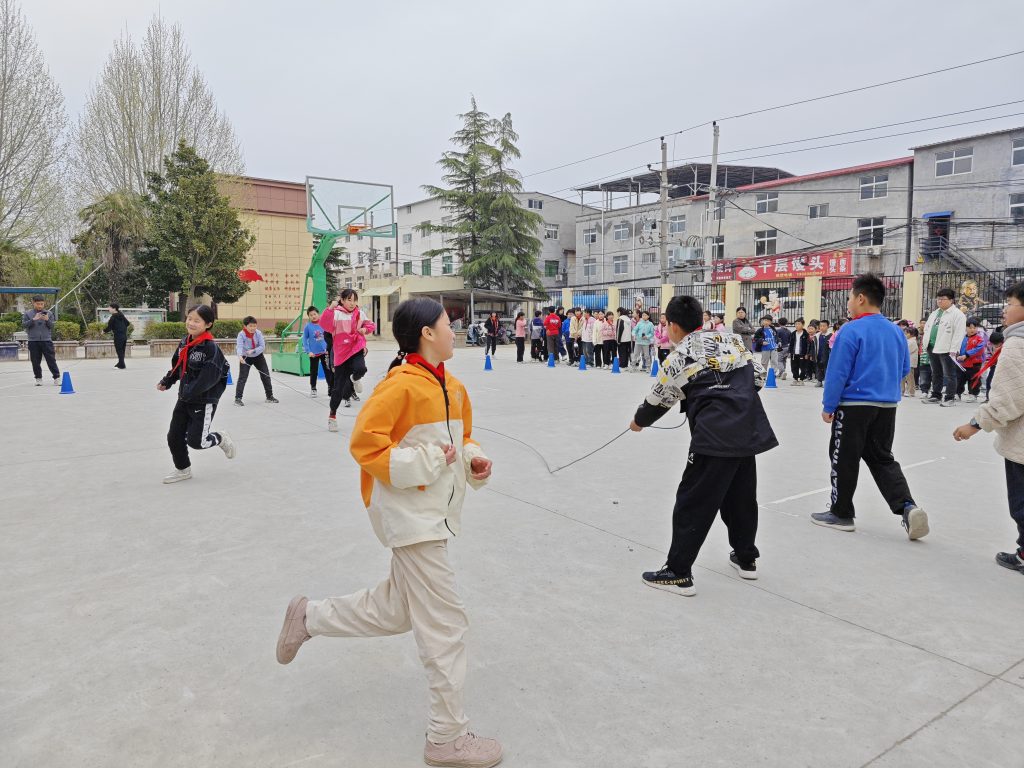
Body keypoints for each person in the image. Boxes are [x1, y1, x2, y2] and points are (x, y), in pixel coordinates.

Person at [275, 297, 502, 768]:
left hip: (435, 514)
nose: (454, 330)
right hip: (410, 518)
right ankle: (446, 739)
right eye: (447, 324)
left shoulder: (453, 387)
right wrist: (427, 462)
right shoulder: (398, 387)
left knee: (398, 610)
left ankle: (309, 618)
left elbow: (461, 440)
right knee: (446, 626)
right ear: (425, 333)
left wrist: (473, 460)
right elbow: (365, 446)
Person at [629, 295, 777, 596]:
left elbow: (660, 397)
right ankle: (746, 558)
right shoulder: (733, 342)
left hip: (714, 436)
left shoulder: (681, 354)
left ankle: (678, 572)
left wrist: (639, 421)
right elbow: (758, 378)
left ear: (672, 325)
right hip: (747, 429)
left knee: (692, 502)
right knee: (741, 498)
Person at [812, 274, 928, 540]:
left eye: (851, 297)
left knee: (844, 457)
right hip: (887, 405)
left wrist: (829, 405)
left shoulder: (851, 330)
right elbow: (902, 369)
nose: (850, 303)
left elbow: (837, 373)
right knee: (882, 457)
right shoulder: (895, 331)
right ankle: (907, 507)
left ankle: (841, 513)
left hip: (854, 406)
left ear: (861, 298)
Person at [952, 282, 1024, 575]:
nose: (1005, 310)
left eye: (1010, 303)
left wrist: (975, 424)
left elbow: (1008, 399)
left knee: (1021, 503)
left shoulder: (1018, 345)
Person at [157, 304, 236, 483]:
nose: (191, 323)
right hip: (184, 397)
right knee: (174, 436)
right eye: (189, 318)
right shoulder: (186, 342)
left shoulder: (210, 348)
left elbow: (209, 378)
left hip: (203, 400)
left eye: (197, 320)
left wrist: (190, 393)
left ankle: (220, 438)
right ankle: (183, 469)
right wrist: (167, 381)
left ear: (208, 324)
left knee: (197, 442)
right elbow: (177, 366)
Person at [321, 289, 376, 430]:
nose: (352, 303)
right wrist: (330, 309)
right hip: (341, 353)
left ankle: (354, 379)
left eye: (354, 300)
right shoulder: (336, 313)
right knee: (338, 389)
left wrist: (365, 330)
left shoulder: (359, 313)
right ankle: (332, 416)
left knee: (361, 369)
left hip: (356, 347)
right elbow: (325, 325)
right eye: (349, 300)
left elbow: (371, 325)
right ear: (342, 300)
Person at [922, 287, 967, 407]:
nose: (939, 301)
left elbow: (959, 333)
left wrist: (954, 349)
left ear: (951, 300)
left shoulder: (958, 315)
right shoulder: (935, 313)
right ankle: (936, 395)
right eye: (938, 299)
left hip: (947, 348)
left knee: (950, 374)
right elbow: (927, 328)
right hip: (932, 346)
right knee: (936, 373)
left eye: (943, 299)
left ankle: (950, 397)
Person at [234, 316, 278, 406]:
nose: (253, 328)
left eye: (254, 326)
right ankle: (238, 399)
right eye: (250, 326)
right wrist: (240, 357)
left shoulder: (258, 333)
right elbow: (239, 346)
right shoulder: (241, 334)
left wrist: (253, 350)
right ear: (245, 326)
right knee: (242, 377)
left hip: (258, 356)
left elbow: (262, 346)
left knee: (265, 375)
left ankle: (269, 396)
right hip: (245, 357)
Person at [22, 295, 60, 386]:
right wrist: (33, 319)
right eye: (38, 304)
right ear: (33, 303)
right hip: (33, 341)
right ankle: (38, 378)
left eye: (42, 304)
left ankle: (57, 378)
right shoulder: (27, 314)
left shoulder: (49, 314)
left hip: (46, 340)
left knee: (51, 360)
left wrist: (47, 320)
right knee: (35, 361)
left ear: (44, 304)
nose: (40, 306)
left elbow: (52, 326)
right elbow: (24, 325)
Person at [302, 306, 334, 398]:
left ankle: (330, 388)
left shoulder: (324, 324)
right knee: (314, 371)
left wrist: (329, 348)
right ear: (309, 316)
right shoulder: (308, 326)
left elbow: (330, 336)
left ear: (318, 314)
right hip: (313, 354)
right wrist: (308, 351)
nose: (313, 316)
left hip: (325, 352)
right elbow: (304, 339)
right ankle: (313, 388)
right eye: (311, 315)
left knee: (327, 370)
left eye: (315, 314)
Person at [955, 318, 986, 403]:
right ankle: (957, 393)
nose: (972, 329)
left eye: (974, 327)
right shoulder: (962, 338)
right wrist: (957, 355)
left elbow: (979, 349)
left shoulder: (979, 338)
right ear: (966, 328)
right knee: (959, 379)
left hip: (974, 364)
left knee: (974, 379)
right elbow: (957, 347)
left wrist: (967, 355)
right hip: (961, 363)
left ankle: (973, 394)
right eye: (970, 327)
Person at [104, 303, 131, 369]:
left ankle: (122, 365)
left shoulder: (113, 317)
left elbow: (109, 327)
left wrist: (103, 331)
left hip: (118, 336)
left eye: (110, 308)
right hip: (124, 336)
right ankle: (120, 363)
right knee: (122, 350)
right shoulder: (121, 315)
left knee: (119, 351)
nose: (108, 309)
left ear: (114, 308)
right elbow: (127, 323)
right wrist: (122, 328)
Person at [983, 330, 1004, 401]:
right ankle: (988, 398)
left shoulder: (1006, 345)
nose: (995, 346)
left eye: (998, 344)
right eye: (994, 344)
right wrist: (988, 360)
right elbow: (988, 353)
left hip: (1003, 366)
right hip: (994, 365)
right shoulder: (989, 344)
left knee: (1001, 383)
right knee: (989, 380)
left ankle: (999, 399)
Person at [788, 318, 809, 385]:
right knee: (794, 367)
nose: (797, 325)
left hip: (802, 353)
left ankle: (802, 379)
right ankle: (795, 379)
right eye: (796, 324)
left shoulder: (806, 334)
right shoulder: (793, 334)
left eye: (799, 324)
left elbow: (808, 344)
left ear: (803, 325)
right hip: (794, 353)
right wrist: (790, 352)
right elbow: (791, 343)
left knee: (803, 367)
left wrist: (807, 353)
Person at [902, 327, 919, 398]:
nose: (905, 334)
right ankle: (902, 390)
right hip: (905, 362)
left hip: (910, 362)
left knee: (910, 377)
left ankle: (911, 391)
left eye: (906, 333)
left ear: (911, 334)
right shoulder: (908, 340)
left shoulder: (912, 342)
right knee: (903, 377)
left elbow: (907, 351)